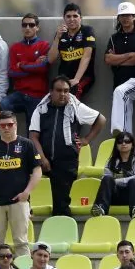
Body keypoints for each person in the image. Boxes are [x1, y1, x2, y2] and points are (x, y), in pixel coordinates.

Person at [30, 76, 106, 216]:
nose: (63, 94)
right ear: (51, 92)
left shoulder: (76, 107)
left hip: (66, 162)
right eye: (59, 90)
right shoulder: (41, 109)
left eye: (66, 91)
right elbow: (33, 137)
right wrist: (42, 158)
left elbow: (101, 119)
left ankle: (62, 230)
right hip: (42, 158)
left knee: (61, 204)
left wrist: (86, 140)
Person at [0, 111, 41, 257]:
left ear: (15, 125)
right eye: (3, 125)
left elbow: (37, 171)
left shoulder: (27, 145)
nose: (6, 128)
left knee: (21, 243)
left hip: (19, 201)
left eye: (10, 125)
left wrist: (27, 193)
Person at [106, 2, 135, 135]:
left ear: (134, 17)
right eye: (122, 15)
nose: (125, 18)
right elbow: (108, 59)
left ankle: (118, 131)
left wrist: (117, 59)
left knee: (120, 92)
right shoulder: (114, 38)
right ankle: (127, 140)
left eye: (128, 15)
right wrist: (129, 55)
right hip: (119, 82)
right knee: (124, 107)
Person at [91, 130, 135, 219]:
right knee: (107, 179)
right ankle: (101, 209)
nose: (123, 144)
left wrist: (116, 181)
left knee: (134, 181)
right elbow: (106, 179)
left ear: (132, 144)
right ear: (116, 145)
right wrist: (114, 182)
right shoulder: (111, 161)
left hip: (132, 196)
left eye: (127, 141)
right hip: (114, 195)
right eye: (120, 141)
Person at [5, 14, 49, 121]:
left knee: (32, 131)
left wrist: (22, 65)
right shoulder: (15, 47)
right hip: (19, 94)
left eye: (31, 25)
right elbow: (11, 72)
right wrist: (34, 66)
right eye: (24, 25)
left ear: (37, 27)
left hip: (37, 96)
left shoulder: (44, 45)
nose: (27, 28)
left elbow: (43, 69)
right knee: (2, 105)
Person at [47, 3, 96, 97]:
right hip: (63, 77)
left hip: (83, 77)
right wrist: (57, 37)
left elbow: (87, 56)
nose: (72, 19)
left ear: (80, 18)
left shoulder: (87, 31)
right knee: (53, 96)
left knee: (72, 93)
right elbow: (51, 59)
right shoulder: (61, 34)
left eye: (75, 16)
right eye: (68, 16)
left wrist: (77, 79)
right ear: (64, 18)